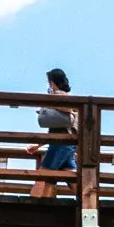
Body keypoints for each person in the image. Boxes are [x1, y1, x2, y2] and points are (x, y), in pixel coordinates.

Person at [27, 67, 78, 200]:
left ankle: (30, 206)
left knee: (43, 175)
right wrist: (38, 145)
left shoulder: (61, 96)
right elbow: (55, 131)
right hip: (68, 144)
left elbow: (68, 109)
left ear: (52, 82)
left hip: (60, 144)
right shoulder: (66, 97)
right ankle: (89, 203)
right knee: (71, 177)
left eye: (49, 81)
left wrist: (50, 103)